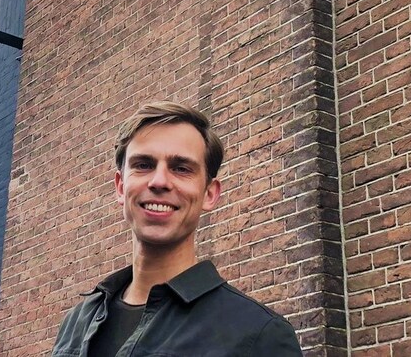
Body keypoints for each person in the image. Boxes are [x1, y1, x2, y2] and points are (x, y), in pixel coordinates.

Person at [51, 101, 303, 357]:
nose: (159, 181)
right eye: (143, 165)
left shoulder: (259, 334)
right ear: (120, 186)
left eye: (181, 168)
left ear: (209, 194)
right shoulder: (76, 323)